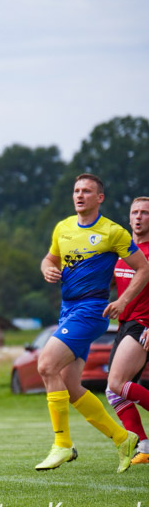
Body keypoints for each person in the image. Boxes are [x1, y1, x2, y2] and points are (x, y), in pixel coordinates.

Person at [36, 174, 149, 472]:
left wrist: (123, 301)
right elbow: (49, 259)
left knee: (46, 365)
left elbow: (143, 269)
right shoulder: (63, 227)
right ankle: (123, 438)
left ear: (100, 198)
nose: (79, 195)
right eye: (76, 190)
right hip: (68, 310)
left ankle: (62, 445)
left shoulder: (113, 231)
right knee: (72, 386)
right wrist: (48, 268)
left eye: (87, 191)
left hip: (92, 311)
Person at [105, 196, 149, 465]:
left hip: (143, 325)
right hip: (124, 325)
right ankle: (143, 447)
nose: (139, 217)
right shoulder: (125, 251)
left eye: (145, 212)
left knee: (116, 384)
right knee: (114, 392)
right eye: (135, 212)